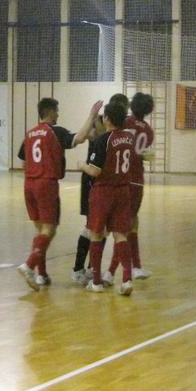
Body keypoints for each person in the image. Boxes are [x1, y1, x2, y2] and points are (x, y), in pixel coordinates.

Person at [17, 97, 102, 291]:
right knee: (50, 229)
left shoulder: (30, 133)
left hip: (29, 183)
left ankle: (41, 275)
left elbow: (23, 160)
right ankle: (29, 265)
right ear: (49, 112)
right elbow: (79, 138)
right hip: (46, 184)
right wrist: (91, 116)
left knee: (41, 231)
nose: (58, 114)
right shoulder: (54, 131)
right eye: (56, 111)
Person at [72, 93, 130, 285]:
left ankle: (92, 270)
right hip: (94, 181)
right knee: (92, 228)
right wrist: (91, 118)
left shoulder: (120, 132)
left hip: (106, 181)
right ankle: (79, 269)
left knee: (101, 230)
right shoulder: (100, 123)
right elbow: (84, 137)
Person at [105, 92, 155, 281]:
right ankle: (114, 271)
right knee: (128, 226)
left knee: (126, 226)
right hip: (136, 180)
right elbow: (140, 152)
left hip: (119, 178)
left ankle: (131, 268)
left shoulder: (124, 122)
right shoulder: (148, 131)